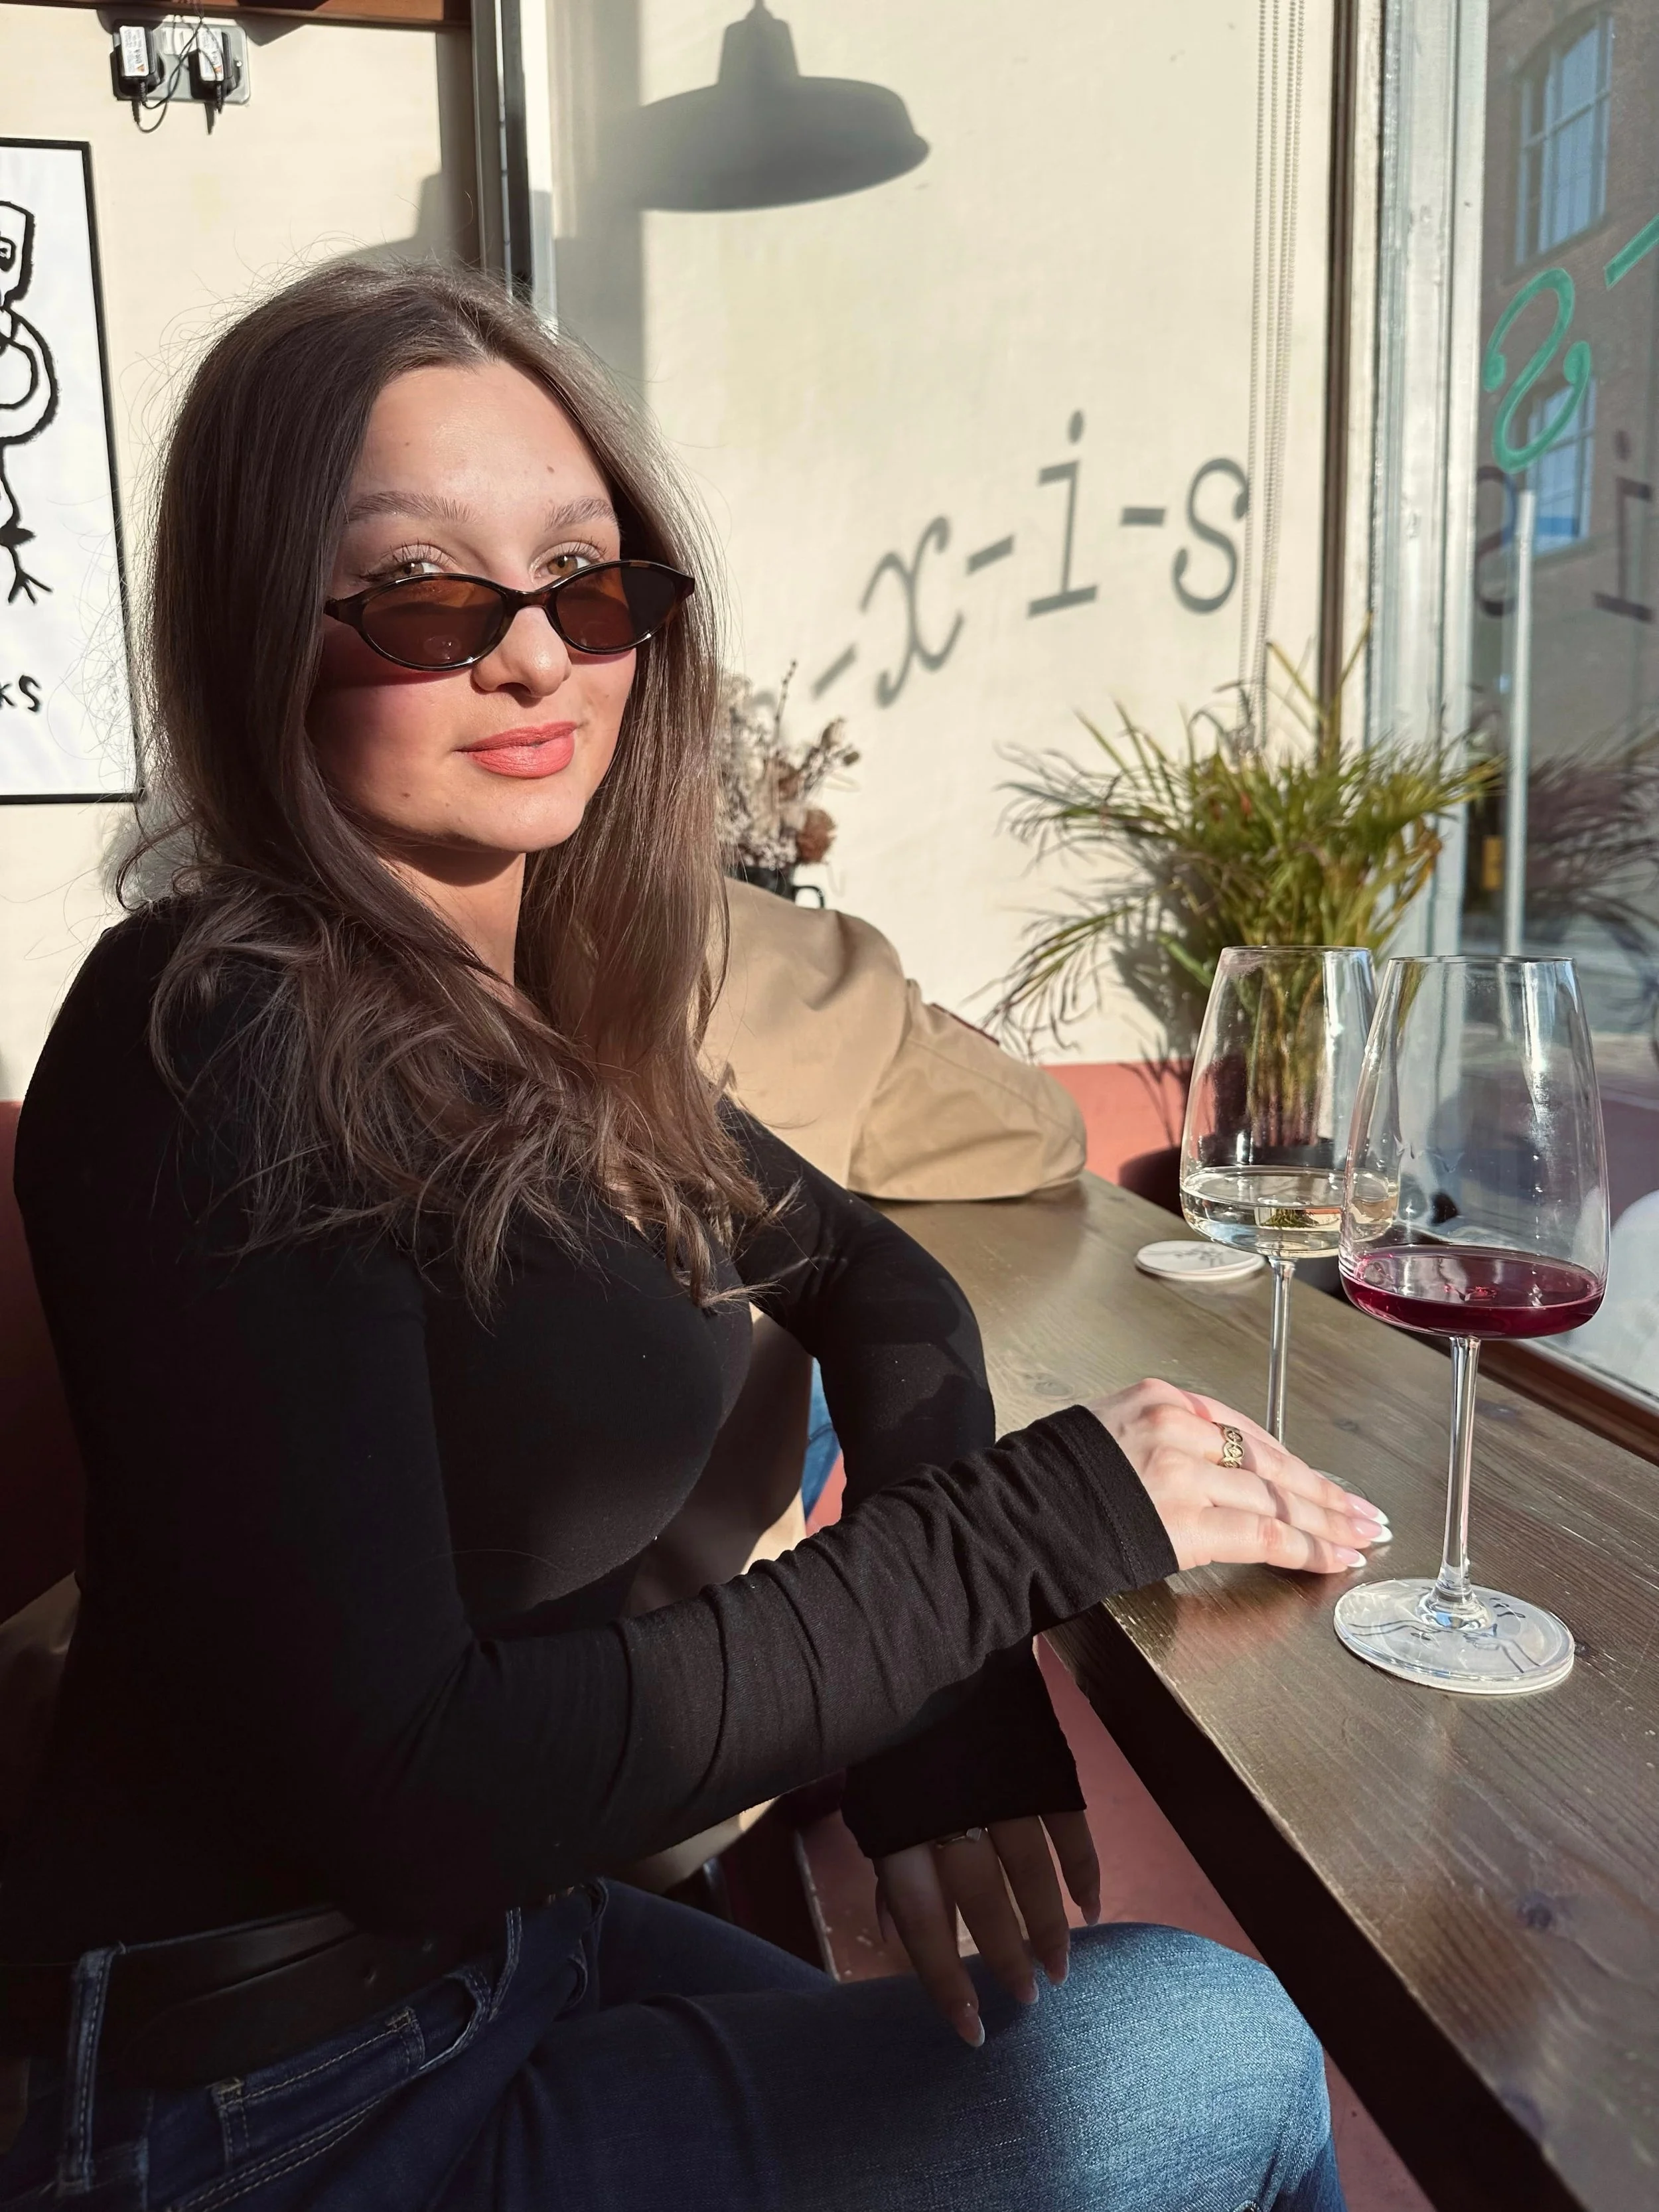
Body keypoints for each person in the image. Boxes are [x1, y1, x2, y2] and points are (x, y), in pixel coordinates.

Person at [0, 262, 1386, 2211]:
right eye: (423, 592)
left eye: (587, 582)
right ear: (258, 633)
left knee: (1052, 2015)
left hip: (507, 1948)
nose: (536, 657)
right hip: (272, 2100)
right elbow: (406, 1789)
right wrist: (1031, 1529)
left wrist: (942, 1714)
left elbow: (871, 1272)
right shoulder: (217, 1030)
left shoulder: (533, 1028)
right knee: (1210, 2051)